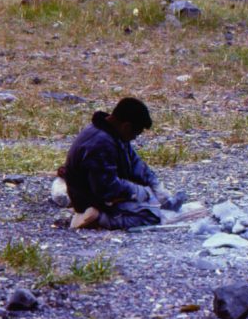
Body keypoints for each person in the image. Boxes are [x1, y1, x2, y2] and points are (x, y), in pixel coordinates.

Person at [61, 97, 170, 230]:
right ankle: (99, 218)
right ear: (127, 126)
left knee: (152, 202)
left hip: (101, 193)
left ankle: (100, 215)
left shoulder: (113, 133)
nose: (135, 138)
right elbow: (106, 187)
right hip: (90, 198)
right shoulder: (100, 143)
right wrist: (135, 191)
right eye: (136, 133)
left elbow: (135, 163)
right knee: (152, 216)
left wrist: (155, 185)